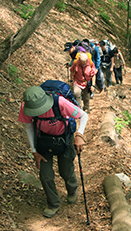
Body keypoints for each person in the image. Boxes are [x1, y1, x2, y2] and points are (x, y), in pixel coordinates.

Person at [18, 86, 88, 218]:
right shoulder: (25, 107)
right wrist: (34, 151)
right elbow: (28, 127)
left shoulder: (59, 102)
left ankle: (72, 190)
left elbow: (83, 115)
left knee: (66, 170)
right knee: (45, 175)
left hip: (64, 138)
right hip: (43, 141)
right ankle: (53, 203)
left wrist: (79, 135)